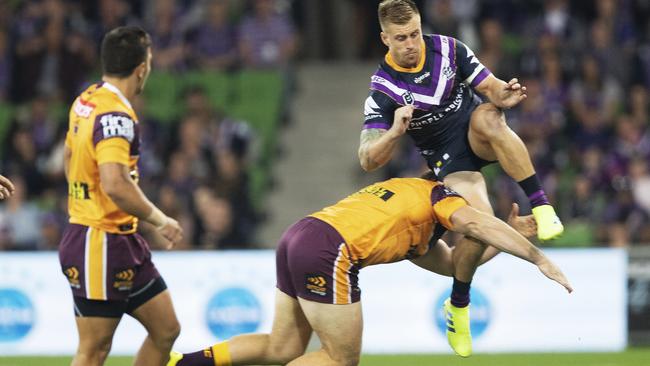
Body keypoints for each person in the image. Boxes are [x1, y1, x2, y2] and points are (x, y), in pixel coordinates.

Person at [167, 177, 572, 366]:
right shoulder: (438, 197)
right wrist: (536, 256)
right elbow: (476, 225)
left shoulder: (413, 216)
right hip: (329, 250)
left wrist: (506, 237)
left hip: (299, 235)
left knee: (282, 347)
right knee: (342, 360)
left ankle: (181, 364)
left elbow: (454, 264)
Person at [358, 0, 564, 356]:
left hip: (475, 132)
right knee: (477, 226)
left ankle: (543, 206)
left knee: (490, 117)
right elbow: (367, 160)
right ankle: (459, 305)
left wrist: (506, 94)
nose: (411, 44)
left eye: (414, 34)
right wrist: (394, 132)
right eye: (401, 38)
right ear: (385, 39)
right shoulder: (383, 89)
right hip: (449, 160)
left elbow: (491, 87)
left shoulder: (449, 49)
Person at [58, 26, 183, 366]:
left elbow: (69, 157)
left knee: (166, 329)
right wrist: (160, 220)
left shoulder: (86, 100)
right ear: (142, 66)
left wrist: (83, 197)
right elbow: (115, 183)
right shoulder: (116, 116)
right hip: (99, 241)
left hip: (122, 241)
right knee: (94, 349)